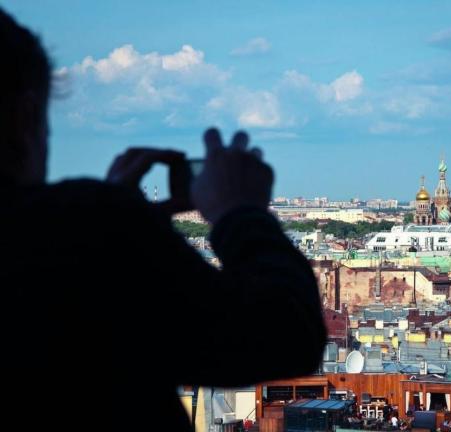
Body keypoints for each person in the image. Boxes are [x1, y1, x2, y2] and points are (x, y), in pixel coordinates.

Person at [1, 8, 326, 432]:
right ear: (26, 118)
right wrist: (239, 212)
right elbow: (285, 335)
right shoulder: (77, 227)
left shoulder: (83, 224)